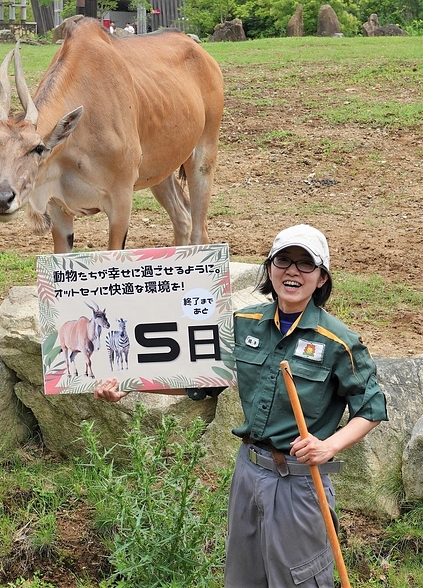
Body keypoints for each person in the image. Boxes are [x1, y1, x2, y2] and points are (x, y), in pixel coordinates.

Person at [95, 224, 388, 588]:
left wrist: (328, 446)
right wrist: (129, 384)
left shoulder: (338, 341)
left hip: (300, 481)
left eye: (305, 264)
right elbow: (203, 381)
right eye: (283, 260)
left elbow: (371, 408)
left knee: (299, 580)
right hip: (248, 473)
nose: (292, 271)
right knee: (243, 579)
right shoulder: (242, 323)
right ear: (269, 268)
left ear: (322, 277)